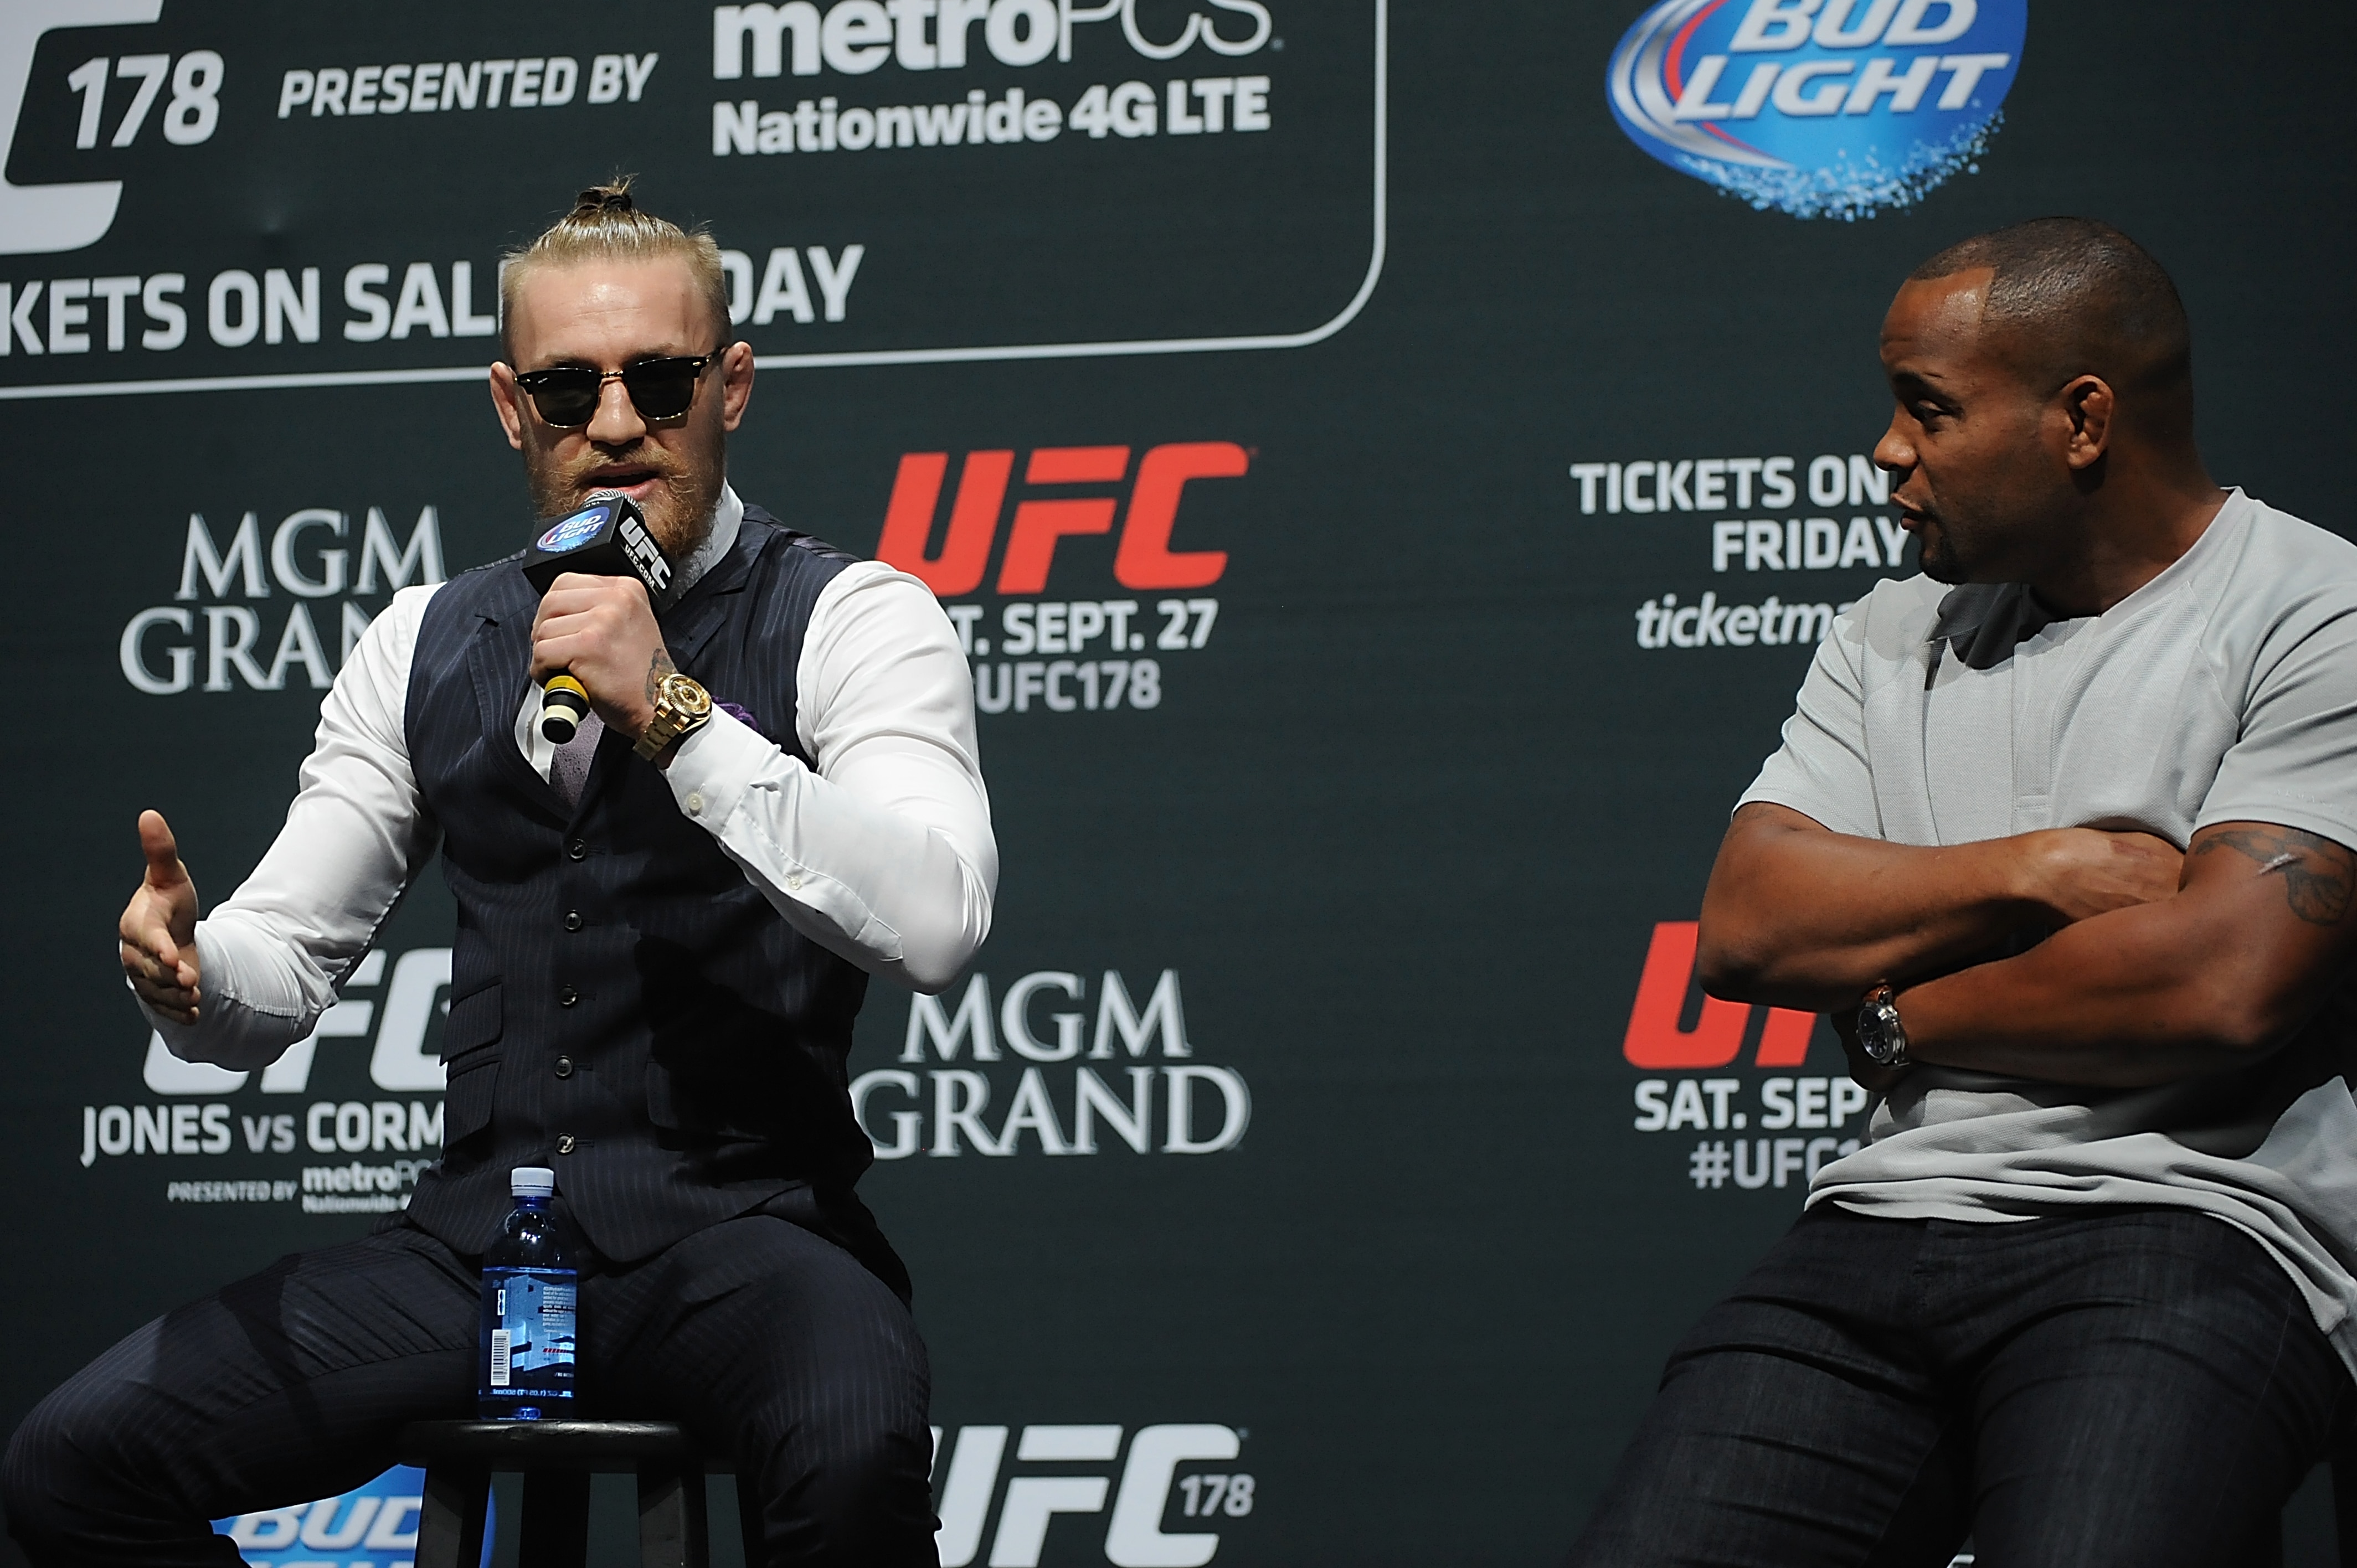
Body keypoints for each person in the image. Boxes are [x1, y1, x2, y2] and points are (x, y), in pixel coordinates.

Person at [3, 180, 994, 1567]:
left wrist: (678, 717)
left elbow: (938, 920)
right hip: (481, 1257)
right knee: (73, 1464)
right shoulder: (425, 637)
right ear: (508, 404)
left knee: (855, 1447)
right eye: (567, 385)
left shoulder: (849, 617)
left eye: (658, 378)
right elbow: (278, 967)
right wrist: (190, 973)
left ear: (733, 385)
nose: (613, 423)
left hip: (747, 1248)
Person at [1568, 218, 2357, 1566]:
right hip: (1876, 1227)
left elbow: (2219, 986)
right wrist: (2038, 868)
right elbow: (1750, 923)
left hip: (2193, 1232)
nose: (1888, 450)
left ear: (2082, 420)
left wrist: (1895, 1022)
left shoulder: (2311, 609)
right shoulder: (1885, 635)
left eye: (1927, 408)